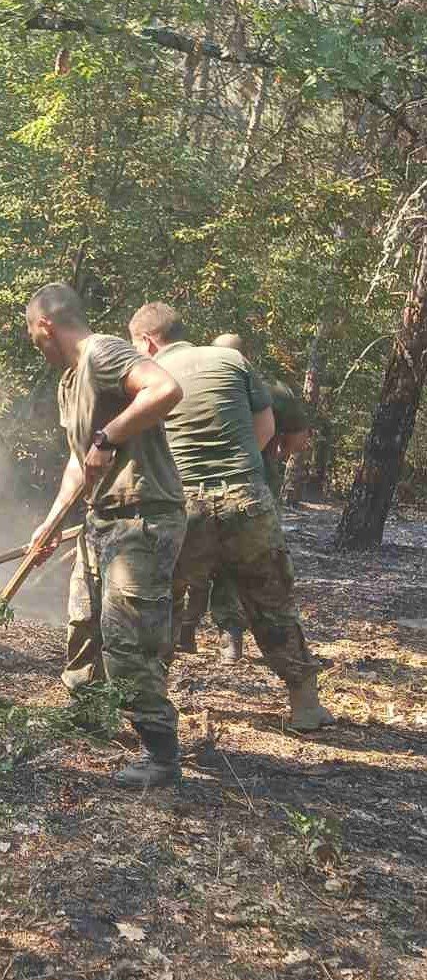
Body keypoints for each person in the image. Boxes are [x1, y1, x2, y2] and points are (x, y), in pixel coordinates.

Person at [127, 302, 333, 733]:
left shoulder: (149, 377)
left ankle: (151, 710)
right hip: (247, 500)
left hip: (184, 508)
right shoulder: (231, 359)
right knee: (272, 601)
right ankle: (305, 706)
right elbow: (265, 432)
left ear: (148, 341)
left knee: (161, 600)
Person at [25, 284, 188, 789]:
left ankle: (161, 754)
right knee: (84, 623)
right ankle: (87, 713)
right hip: (100, 520)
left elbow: (165, 390)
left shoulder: (102, 351)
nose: (34, 344)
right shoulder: (69, 382)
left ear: (46, 326)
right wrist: (52, 521)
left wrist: (107, 436)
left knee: (126, 639)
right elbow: (80, 462)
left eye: (33, 334)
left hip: (141, 517)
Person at [177, 333, 312, 663]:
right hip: (249, 489)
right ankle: (230, 640)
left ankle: (184, 632)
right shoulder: (271, 389)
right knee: (236, 564)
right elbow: (298, 438)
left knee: (185, 563)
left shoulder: (185, 381)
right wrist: (271, 454)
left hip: (189, 488)